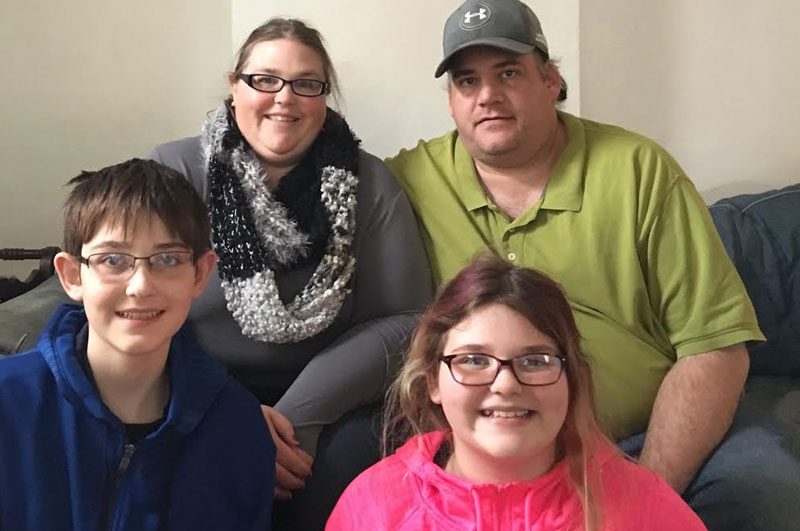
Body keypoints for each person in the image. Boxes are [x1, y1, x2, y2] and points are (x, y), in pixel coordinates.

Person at [386, 1, 800, 529]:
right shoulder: (409, 181)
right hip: (487, 445)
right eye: (467, 81)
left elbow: (715, 347)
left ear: (550, 79)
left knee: (768, 496)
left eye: (508, 72)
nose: (487, 95)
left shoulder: (637, 169)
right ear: (451, 101)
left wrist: (641, 495)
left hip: (645, 439)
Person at [149, 17, 432, 529]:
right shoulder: (174, 172)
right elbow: (138, 303)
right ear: (235, 89)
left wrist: (301, 414)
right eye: (264, 80)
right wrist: (228, 409)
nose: (285, 98)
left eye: (306, 84)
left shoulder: (370, 181)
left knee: (349, 462)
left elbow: (406, 319)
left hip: (334, 398)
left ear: (324, 97)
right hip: (193, 385)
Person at [327, 257, 707, 530]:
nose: (506, 384)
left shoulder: (642, 506)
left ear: (571, 377)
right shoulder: (375, 507)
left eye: (536, 360)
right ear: (432, 382)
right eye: (474, 360)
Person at [0, 159, 275, 530]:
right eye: (113, 260)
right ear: (71, 275)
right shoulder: (9, 401)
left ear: (200, 274)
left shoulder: (238, 427)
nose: (141, 286)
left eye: (167, 259)